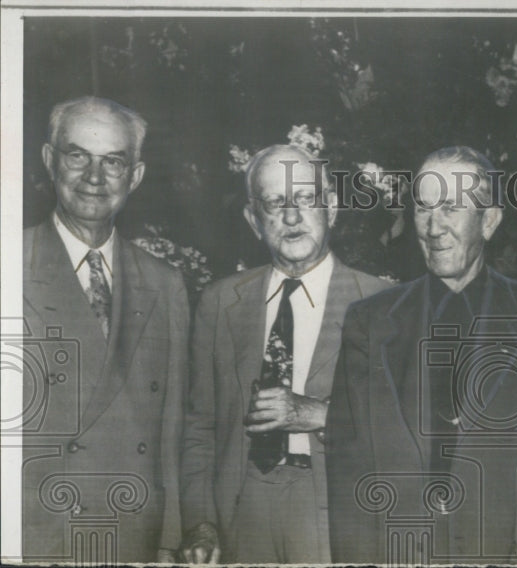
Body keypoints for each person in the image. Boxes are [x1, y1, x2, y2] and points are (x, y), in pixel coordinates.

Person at [325, 146, 517, 564]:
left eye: (450, 208)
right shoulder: (369, 322)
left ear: (490, 220)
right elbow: (348, 472)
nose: (433, 227)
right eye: (423, 208)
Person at [179, 145, 391, 563]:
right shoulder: (220, 303)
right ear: (253, 220)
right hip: (241, 511)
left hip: (337, 511)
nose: (292, 217)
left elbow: (405, 430)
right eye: (275, 202)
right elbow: (199, 426)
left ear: (331, 207)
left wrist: (317, 414)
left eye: (307, 198)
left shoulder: (382, 303)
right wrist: (201, 521)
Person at [21, 96, 189, 563]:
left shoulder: (165, 283)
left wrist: (169, 540)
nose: (94, 178)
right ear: (50, 161)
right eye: (78, 156)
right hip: (36, 535)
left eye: (113, 161)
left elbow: (171, 430)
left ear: (134, 176)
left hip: (134, 533)